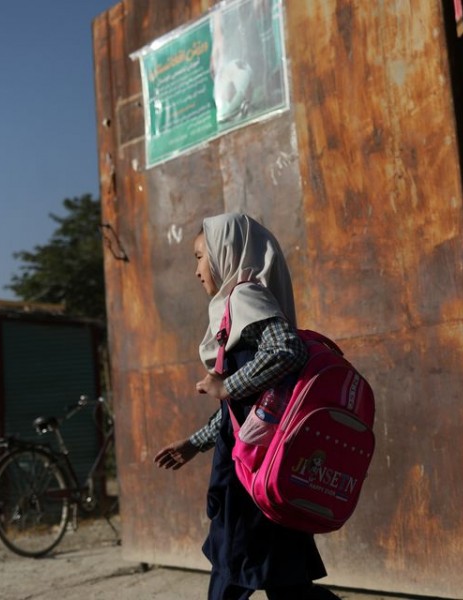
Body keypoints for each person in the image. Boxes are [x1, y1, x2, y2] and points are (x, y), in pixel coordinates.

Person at [154, 213, 341, 600]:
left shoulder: (245, 295)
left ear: (226, 252)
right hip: (251, 462)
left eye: (200, 256)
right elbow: (239, 410)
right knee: (280, 578)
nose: (196, 270)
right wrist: (194, 443)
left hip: (251, 470)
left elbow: (287, 350)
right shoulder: (232, 307)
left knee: (235, 568)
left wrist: (227, 385)